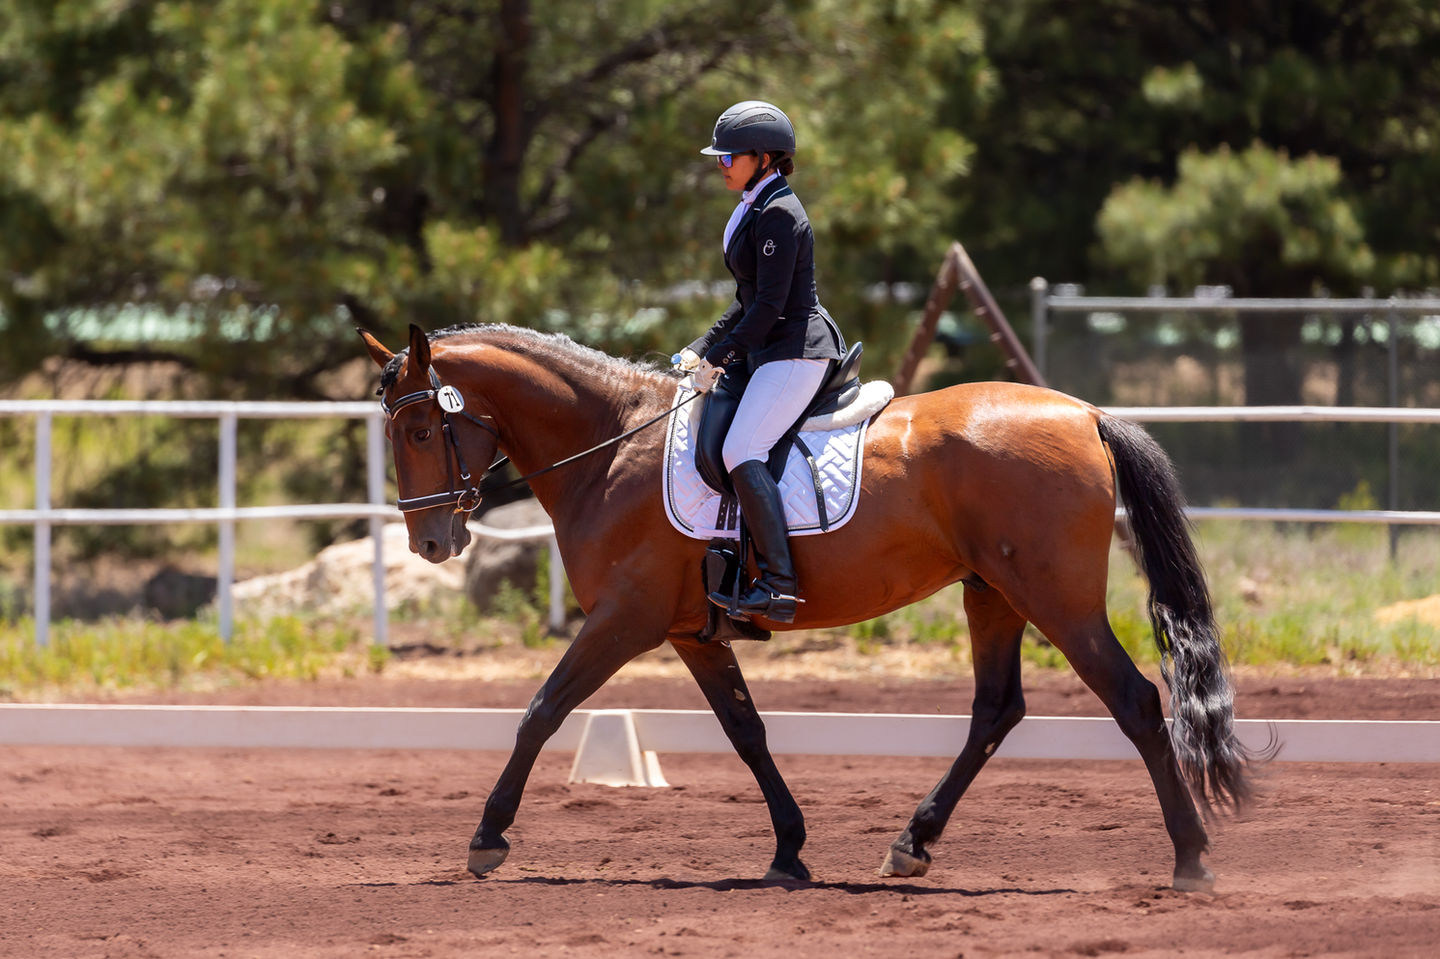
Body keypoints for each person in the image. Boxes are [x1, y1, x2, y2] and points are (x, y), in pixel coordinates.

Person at [675, 99, 845, 624]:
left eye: (730, 157)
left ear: (764, 158)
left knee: (741, 449)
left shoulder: (778, 214)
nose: (722, 166)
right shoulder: (755, 205)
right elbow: (745, 299)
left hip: (795, 349)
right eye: (720, 158)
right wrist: (703, 346)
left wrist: (722, 357)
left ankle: (778, 585)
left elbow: (769, 307)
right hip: (770, 346)